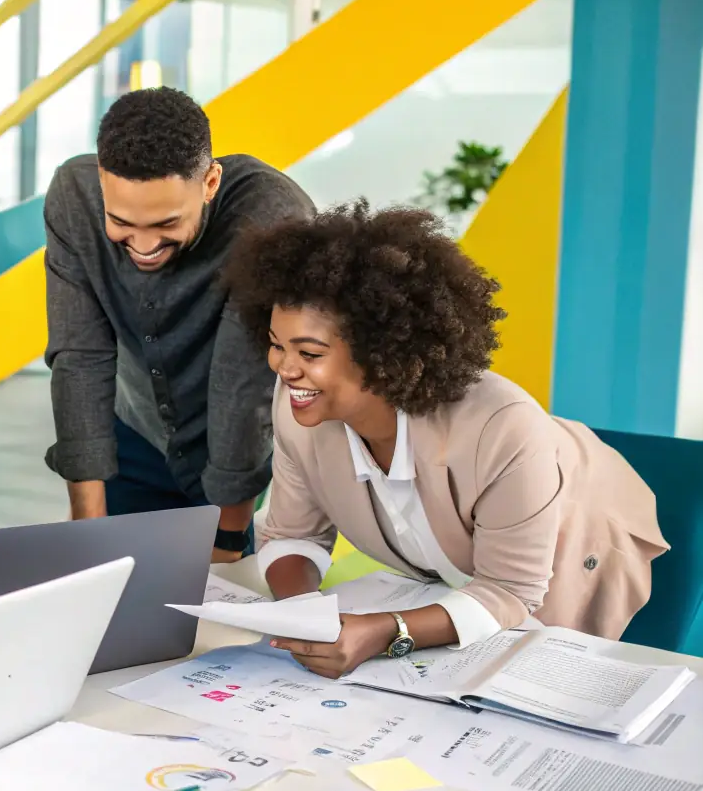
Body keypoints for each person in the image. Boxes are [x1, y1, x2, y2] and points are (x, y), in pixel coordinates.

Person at [225, 201, 668, 679]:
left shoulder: (503, 427)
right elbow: (293, 535)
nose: (286, 369)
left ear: (381, 352)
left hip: (575, 551)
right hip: (451, 576)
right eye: (276, 344)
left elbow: (510, 591)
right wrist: (306, 618)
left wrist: (386, 631)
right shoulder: (299, 407)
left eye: (309, 352)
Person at [44, 86, 314, 562]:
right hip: (133, 434)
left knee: (214, 609)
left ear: (209, 183)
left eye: (167, 223)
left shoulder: (272, 215)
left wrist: (228, 541)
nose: (144, 244)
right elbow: (79, 356)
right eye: (123, 222)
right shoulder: (74, 197)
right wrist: (87, 529)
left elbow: (242, 385)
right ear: (103, 182)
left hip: (230, 452)